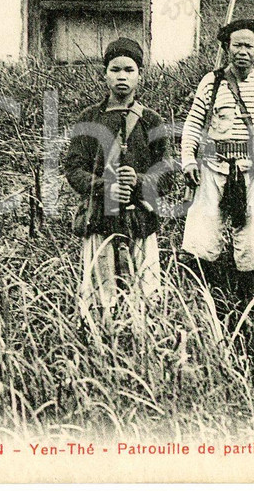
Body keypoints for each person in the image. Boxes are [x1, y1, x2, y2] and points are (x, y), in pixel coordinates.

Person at [63, 38, 170, 325]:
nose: (122, 76)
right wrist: (104, 187)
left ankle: (142, 351)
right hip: (100, 218)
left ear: (140, 75)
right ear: (105, 74)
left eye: (129, 69)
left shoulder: (151, 120)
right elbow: (74, 169)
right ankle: (99, 347)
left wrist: (140, 181)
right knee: (100, 298)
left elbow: (167, 174)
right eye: (115, 69)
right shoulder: (90, 117)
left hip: (140, 222)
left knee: (145, 298)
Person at [180, 19, 254, 305]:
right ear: (227, 47)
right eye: (236, 44)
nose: (242, 51)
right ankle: (204, 297)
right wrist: (188, 160)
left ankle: (246, 299)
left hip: (250, 171)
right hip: (212, 167)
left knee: (251, 236)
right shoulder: (211, 81)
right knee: (204, 233)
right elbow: (193, 123)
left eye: (249, 45)